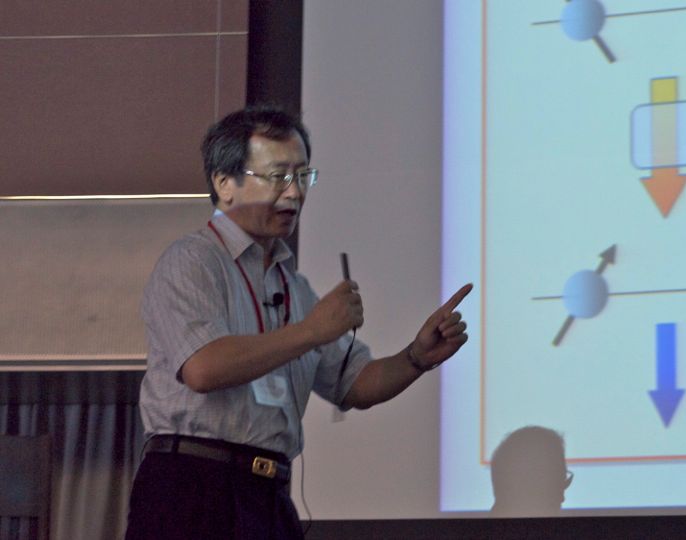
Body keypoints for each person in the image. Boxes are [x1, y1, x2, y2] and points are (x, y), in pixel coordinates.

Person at [125, 106, 471, 540]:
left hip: (268, 495)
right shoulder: (192, 261)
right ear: (225, 184)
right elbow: (203, 368)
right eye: (277, 177)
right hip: (193, 486)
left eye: (303, 176)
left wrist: (416, 357)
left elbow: (355, 384)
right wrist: (311, 331)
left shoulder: (295, 287)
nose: (294, 193)